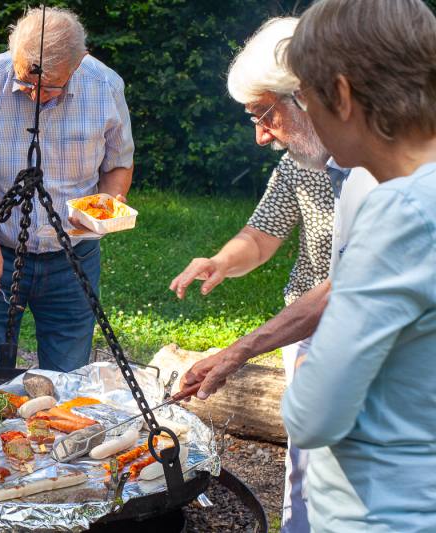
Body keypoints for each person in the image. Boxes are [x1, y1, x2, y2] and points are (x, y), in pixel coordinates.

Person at [169, 18, 336, 532]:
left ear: (306, 95)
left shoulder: (390, 167)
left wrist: (239, 351)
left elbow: (348, 287)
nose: (261, 136)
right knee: (306, 461)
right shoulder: (300, 161)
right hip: (304, 335)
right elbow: (263, 234)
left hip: (371, 336)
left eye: (266, 115)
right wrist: (222, 260)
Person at [282, 0, 436, 530]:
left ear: (342, 95)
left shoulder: (404, 213)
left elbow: (312, 417)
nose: (306, 115)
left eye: (304, 95)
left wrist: (306, 368)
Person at [0, 7, 134, 371]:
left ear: (78, 64)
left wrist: (106, 206)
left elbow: (119, 164)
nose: (35, 95)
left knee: (68, 380)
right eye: (26, 82)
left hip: (73, 255)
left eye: (50, 86)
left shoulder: (105, 87)